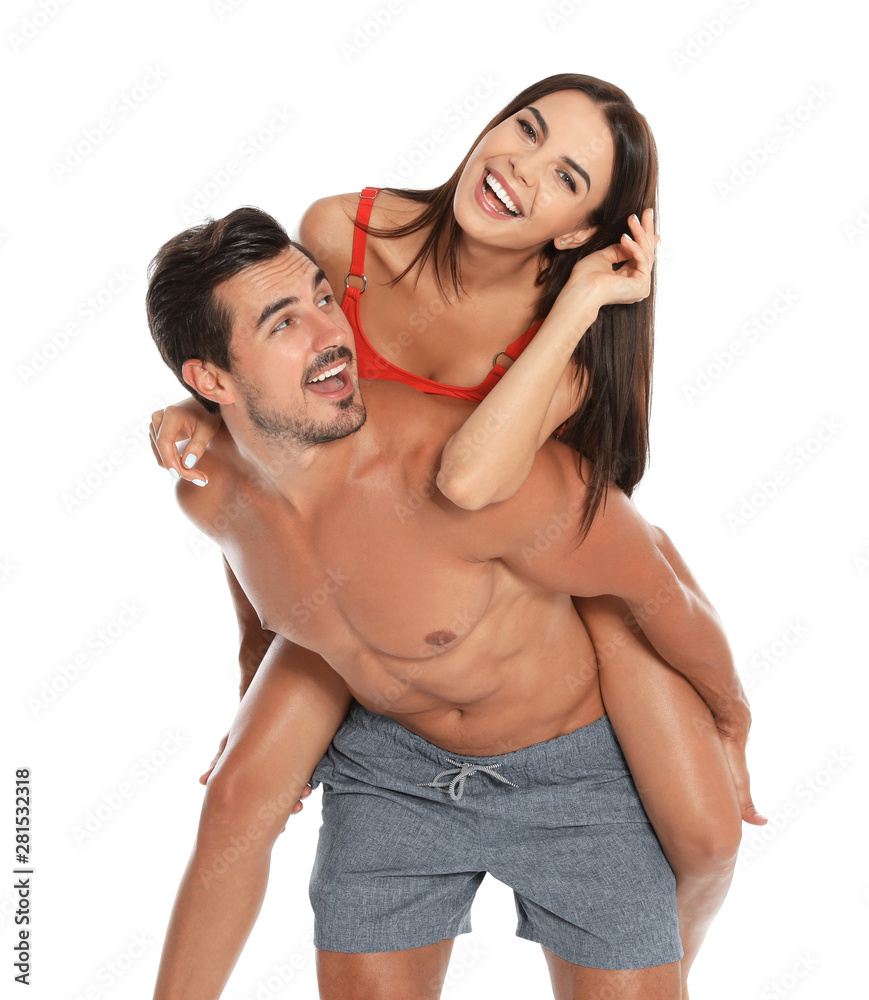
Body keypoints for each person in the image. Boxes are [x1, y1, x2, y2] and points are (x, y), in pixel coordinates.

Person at [149, 74, 764, 993]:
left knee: (706, 836)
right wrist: (200, 420)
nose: (519, 166)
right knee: (237, 798)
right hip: (347, 565)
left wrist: (584, 300)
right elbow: (257, 361)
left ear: (575, 230)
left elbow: (474, 479)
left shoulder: (568, 343)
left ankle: (649, 948)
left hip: (531, 569)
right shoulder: (343, 235)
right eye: (523, 128)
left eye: (565, 178)